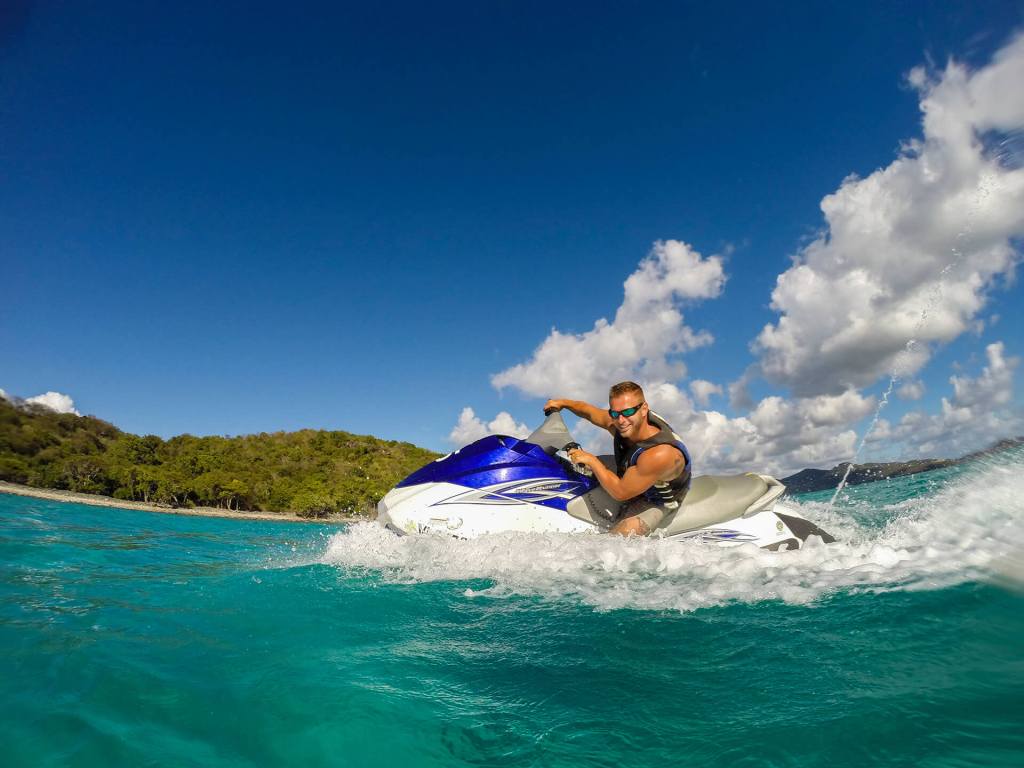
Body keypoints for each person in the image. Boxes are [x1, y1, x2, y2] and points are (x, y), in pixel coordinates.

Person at [543, 381, 691, 537]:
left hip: (659, 499)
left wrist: (593, 461)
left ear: (644, 409)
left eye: (627, 413)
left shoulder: (660, 454)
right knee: (575, 467)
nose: (621, 420)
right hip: (634, 469)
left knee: (624, 533)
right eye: (615, 413)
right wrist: (563, 403)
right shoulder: (620, 420)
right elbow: (588, 411)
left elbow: (621, 492)